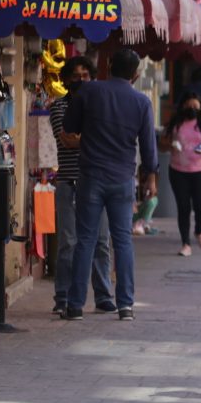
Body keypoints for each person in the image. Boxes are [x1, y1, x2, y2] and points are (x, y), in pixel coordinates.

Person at [62, 49, 158, 322]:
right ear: (136, 75)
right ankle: (125, 304)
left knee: (86, 240)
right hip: (122, 179)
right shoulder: (141, 102)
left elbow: (69, 125)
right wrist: (150, 176)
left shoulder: (90, 92)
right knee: (123, 241)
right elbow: (149, 147)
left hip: (91, 176)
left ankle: (75, 304)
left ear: (108, 66)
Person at [49, 56, 117, 315]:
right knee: (69, 241)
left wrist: (85, 138)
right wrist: (97, 138)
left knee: (101, 241)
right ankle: (62, 298)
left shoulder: (101, 106)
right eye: (76, 76)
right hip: (69, 181)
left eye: (86, 75)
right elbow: (66, 140)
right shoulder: (59, 107)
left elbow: (80, 139)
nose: (81, 80)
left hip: (98, 181)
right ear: (66, 79)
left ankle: (103, 296)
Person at [164, 92, 201, 256]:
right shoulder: (176, 124)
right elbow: (163, 143)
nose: (192, 109)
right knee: (183, 207)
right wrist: (170, 146)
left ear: (200, 108)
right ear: (183, 107)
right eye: (189, 106)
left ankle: (199, 231)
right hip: (178, 171)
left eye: (195, 106)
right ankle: (185, 244)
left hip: (200, 170)